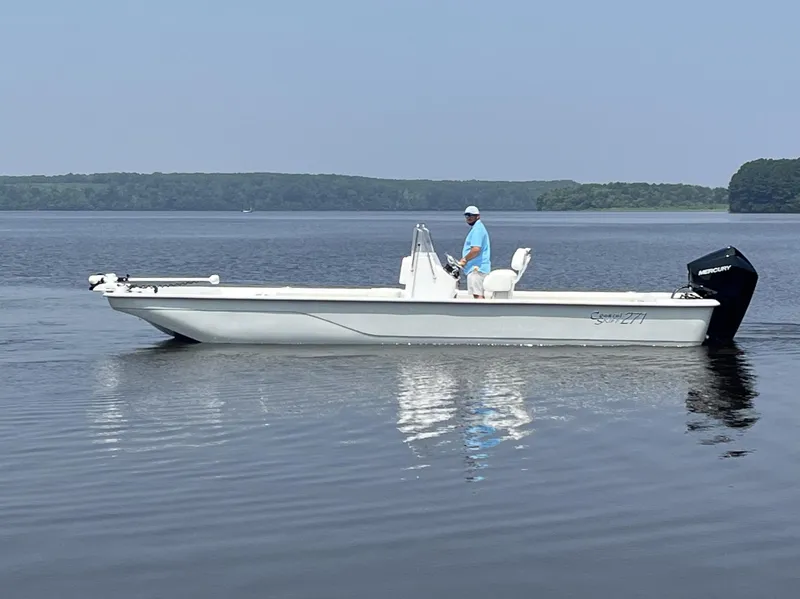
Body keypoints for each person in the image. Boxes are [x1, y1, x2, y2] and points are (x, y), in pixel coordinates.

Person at [458, 205, 491, 298]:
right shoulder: (477, 228)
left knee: (477, 295)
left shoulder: (477, 230)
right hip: (476, 268)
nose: (468, 217)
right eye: (466, 215)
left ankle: (482, 312)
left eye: (471, 215)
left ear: (478, 216)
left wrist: (464, 260)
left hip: (477, 269)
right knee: (477, 294)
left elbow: (476, 249)